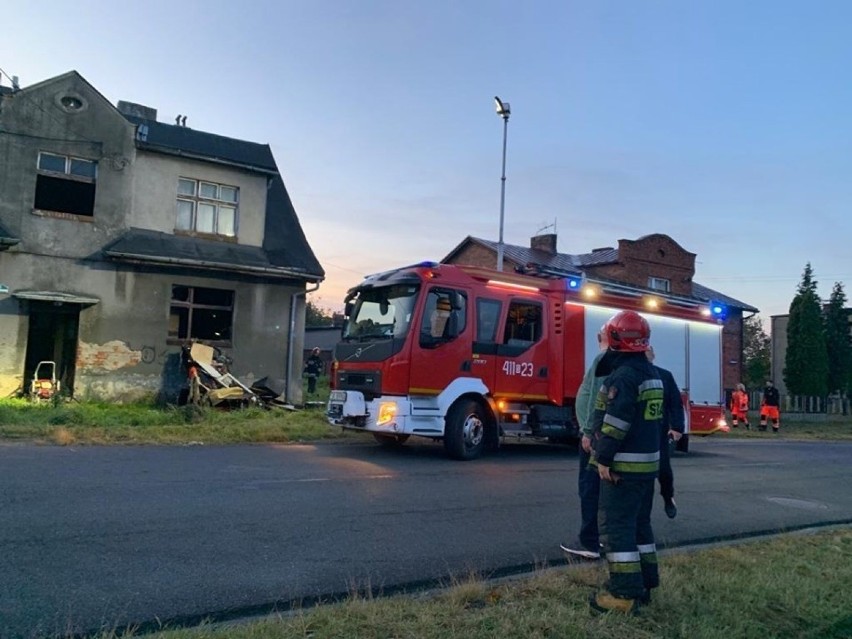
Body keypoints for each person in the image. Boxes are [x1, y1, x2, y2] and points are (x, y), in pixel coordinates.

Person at [588, 310, 662, 615]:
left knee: (617, 528)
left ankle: (623, 594)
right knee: (640, 527)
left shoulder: (624, 376)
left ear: (617, 339)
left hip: (623, 469)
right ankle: (644, 584)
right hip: (646, 469)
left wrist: (602, 458)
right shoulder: (651, 373)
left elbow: (615, 423)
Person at [561, 324, 609, 560]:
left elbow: (596, 399)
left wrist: (589, 432)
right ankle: (602, 539)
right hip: (604, 435)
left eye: (599, 336)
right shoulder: (616, 360)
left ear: (604, 337)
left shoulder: (604, 359)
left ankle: (589, 542)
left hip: (595, 437)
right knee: (599, 490)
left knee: (589, 488)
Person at [646, 345, 685, 519]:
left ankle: (668, 497)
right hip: (639, 434)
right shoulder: (630, 375)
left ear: (653, 355)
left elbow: (675, 404)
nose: (645, 354)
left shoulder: (664, 376)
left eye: (648, 351)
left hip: (659, 432)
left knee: (663, 470)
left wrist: (676, 428)